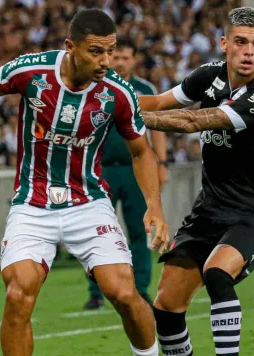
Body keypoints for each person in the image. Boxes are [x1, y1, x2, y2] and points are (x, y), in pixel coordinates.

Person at [0, 9, 172, 356]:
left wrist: (154, 207)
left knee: (125, 293)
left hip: (89, 202)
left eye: (110, 51)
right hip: (32, 203)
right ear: (70, 48)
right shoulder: (33, 71)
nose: (105, 61)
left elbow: (141, 151)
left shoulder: (117, 92)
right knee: (19, 293)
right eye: (96, 52)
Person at [138, 8, 254, 356]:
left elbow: (190, 122)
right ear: (224, 43)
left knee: (217, 273)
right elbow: (158, 100)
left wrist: (126, 116)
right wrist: (108, 98)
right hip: (209, 209)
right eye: (240, 41)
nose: (248, 52)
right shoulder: (208, 76)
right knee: (167, 305)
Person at [84, 37, 169, 310]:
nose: (119, 62)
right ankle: (96, 291)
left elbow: (158, 127)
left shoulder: (145, 89)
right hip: (101, 169)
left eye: (125, 57)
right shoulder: (95, 83)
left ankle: (140, 288)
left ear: (133, 59)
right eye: (115, 57)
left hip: (136, 171)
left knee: (139, 229)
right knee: (97, 232)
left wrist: (162, 164)